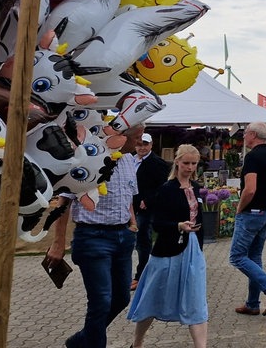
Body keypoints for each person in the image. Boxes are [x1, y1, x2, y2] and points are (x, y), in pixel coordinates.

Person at [45, 125, 141, 348]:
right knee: (101, 302)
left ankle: (81, 341)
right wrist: (58, 243)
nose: (139, 143)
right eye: (136, 138)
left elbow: (129, 197)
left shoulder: (128, 160)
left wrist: (132, 223)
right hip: (93, 237)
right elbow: (64, 201)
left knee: (121, 298)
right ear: (121, 137)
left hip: (123, 237)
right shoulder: (89, 157)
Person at [128, 144, 208, 347]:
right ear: (177, 162)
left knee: (196, 300)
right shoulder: (167, 189)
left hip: (193, 251)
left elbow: (200, 219)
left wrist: (199, 246)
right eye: (186, 163)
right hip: (167, 252)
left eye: (193, 163)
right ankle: (137, 343)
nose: (190, 167)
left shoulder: (196, 188)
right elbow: (157, 224)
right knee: (152, 299)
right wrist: (179, 226)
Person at [229, 122, 266, 317]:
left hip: (252, 213)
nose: (243, 136)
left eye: (245, 133)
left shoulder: (252, 157)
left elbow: (250, 188)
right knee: (254, 257)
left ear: (253, 134)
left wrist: (239, 208)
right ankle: (252, 303)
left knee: (236, 256)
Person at [133, 131, 170, 290]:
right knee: (135, 240)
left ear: (151, 145)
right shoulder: (131, 160)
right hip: (131, 206)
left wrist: (147, 200)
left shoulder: (157, 162)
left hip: (146, 207)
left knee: (143, 240)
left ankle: (142, 273)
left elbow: (162, 187)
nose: (142, 148)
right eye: (139, 144)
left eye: (145, 144)